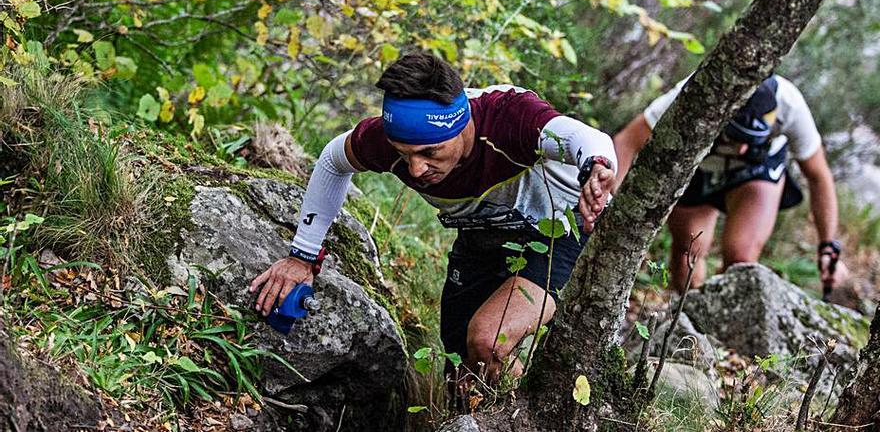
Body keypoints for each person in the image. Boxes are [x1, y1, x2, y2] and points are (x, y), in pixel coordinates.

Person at [249, 52, 618, 380]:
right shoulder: (384, 140)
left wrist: (598, 166)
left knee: (489, 340)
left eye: (430, 152)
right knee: (462, 370)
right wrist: (302, 255)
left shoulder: (509, 118)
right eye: (403, 153)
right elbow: (333, 160)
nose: (416, 169)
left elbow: (585, 138)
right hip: (481, 236)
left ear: (462, 125)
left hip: (561, 229)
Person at [613, 73, 848, 296]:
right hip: (699, 164)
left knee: (741, 258)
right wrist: (609, 208)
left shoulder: (791, 105)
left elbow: (819, 177)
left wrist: (827, 247)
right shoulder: (696, 92)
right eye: (738, 136)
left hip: (757, 169)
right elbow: (627, 142)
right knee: (688, 251)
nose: (743, 148)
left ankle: (721, 328)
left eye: (752, 139)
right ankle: (687, 322)